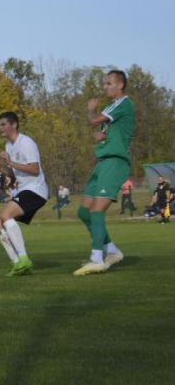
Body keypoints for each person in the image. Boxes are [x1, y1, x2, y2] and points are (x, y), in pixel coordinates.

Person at [73, 70, 133, 276]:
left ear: (120, 85)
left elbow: (94, 120)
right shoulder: (112, 107)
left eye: (108, 83)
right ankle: (112, 251)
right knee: (84, 212)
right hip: (103, 162)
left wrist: (92, 110)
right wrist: (101, 137)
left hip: (115, 163)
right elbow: (107, 132)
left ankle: (97, 259)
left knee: (96, 211)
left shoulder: (123, 103)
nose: (105, 86)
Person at [0, 112, 49, 276]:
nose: (0, 128)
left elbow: (35, 170)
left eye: (3, 124)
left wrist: (10, 162)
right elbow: (16, 175)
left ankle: (24, 259)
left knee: (5, 214)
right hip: (26, 189)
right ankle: (17, 264)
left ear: (14, 125)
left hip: (36, 189)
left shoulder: (26, 142)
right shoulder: (9, 146)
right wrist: (0, 169)